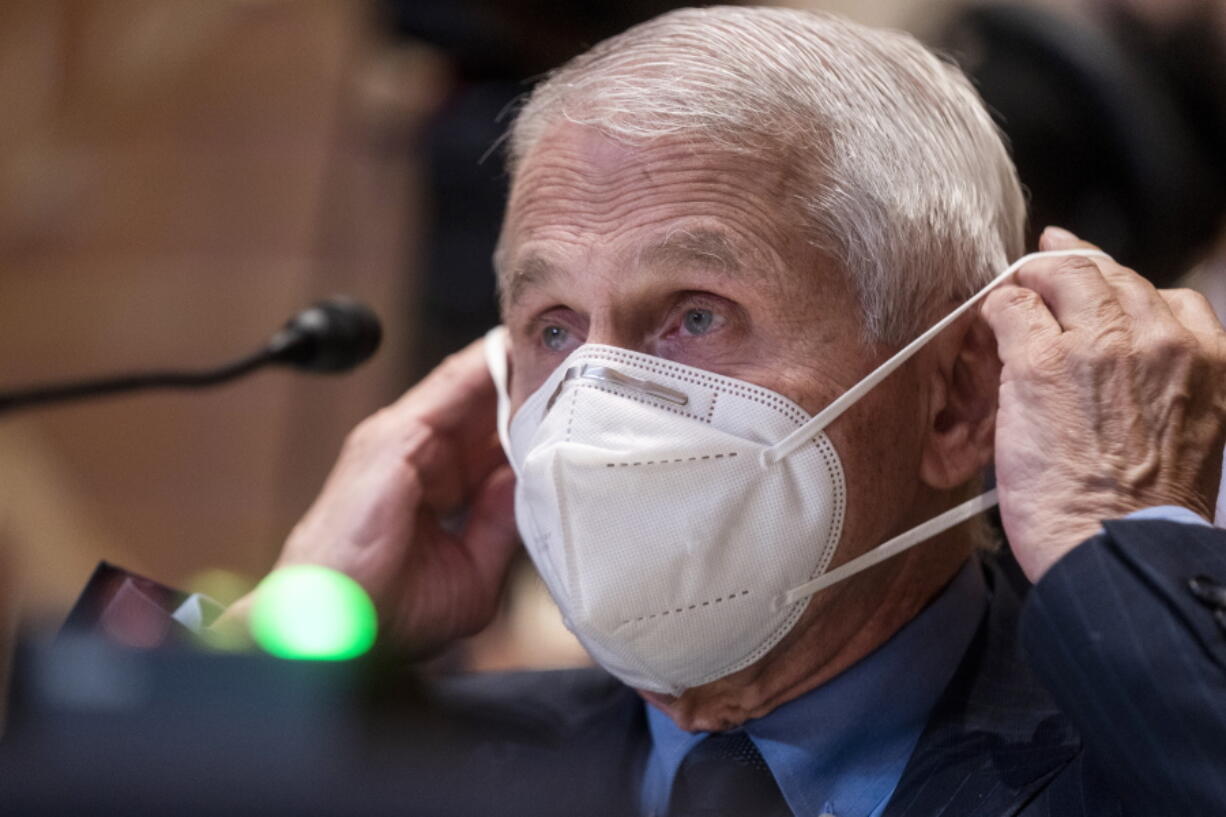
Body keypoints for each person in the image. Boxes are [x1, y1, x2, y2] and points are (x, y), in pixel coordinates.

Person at [216, 7, 1226, 816]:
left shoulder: (1139, 745)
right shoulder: (414, 757)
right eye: (554, 329)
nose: (593, 410)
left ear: (956, 396)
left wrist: (1123, 542)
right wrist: (280, 635)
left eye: (694, 315)